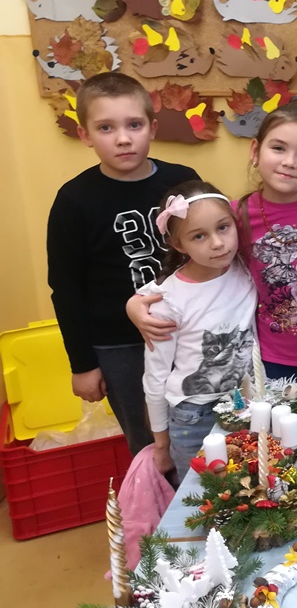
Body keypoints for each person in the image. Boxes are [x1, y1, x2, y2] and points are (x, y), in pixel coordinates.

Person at [129, 106, 297, 386]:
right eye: (278, 148)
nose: (289, 162)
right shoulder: (232, 218)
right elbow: (194, 269)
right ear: (255, 151)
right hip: (272, 361)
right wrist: (136, 302)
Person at [47, 72, 199, 456]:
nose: (123, 138)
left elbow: (214, 247)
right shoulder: (73, 201)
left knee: (205, 430)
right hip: (120, 347)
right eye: (106, 128)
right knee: (150, 444)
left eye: (134, 125)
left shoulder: (183, 182)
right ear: (85, 135)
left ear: (153, 128)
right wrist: (82, 364)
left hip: (190, 331)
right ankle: (155, 496)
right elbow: (66, 288)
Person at [140, 182, 256, 485]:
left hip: (248, 406)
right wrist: (161, 443)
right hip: (193, 418)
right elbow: (155, 375)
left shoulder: (245, 268)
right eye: (199, 236)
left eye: (223, 227)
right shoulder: (166, 300)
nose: (217, 243)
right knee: (201, 497)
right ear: (178, 244)